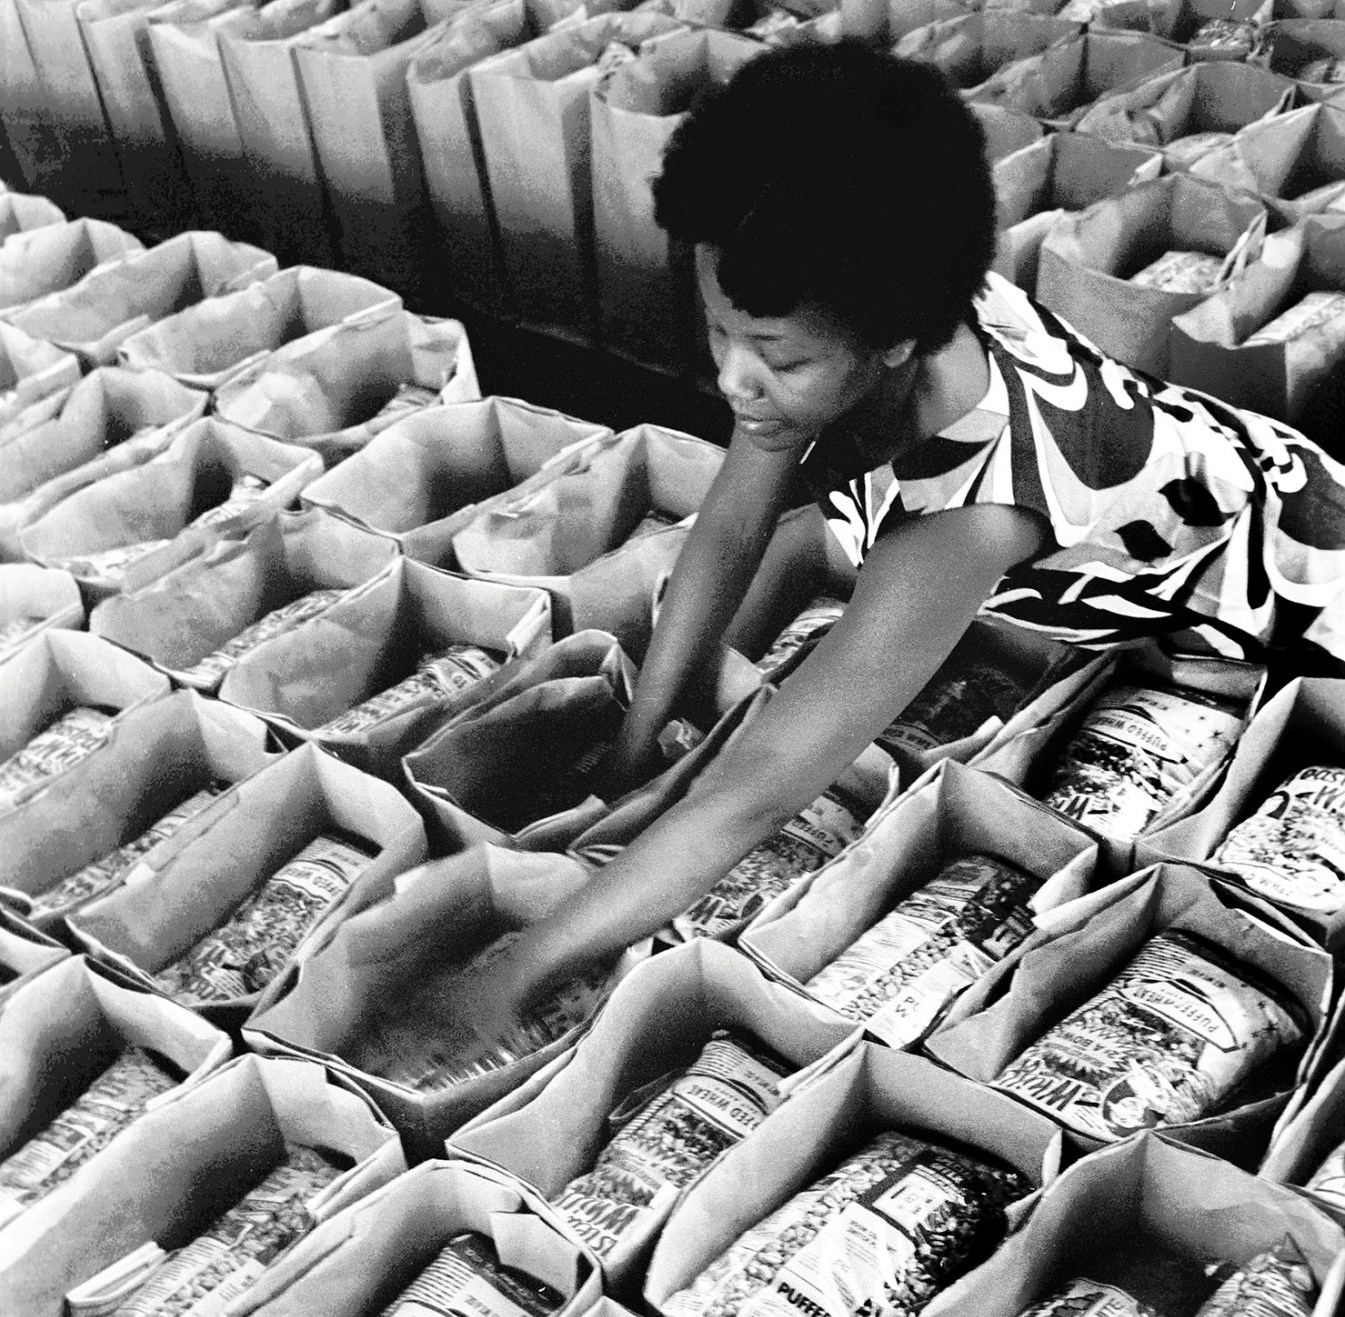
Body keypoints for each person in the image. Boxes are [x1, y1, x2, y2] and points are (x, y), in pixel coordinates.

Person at [456, 42, 1345, 1046]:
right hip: (1204, 488)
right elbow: (731, 527)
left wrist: (518, 970)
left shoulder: (965, 518)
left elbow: (760, 790)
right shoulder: (888, 299)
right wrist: (629, 744)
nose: (734, 380)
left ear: (890, 343)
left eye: (775, 355)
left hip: (1291, 594)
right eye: (719, 332)